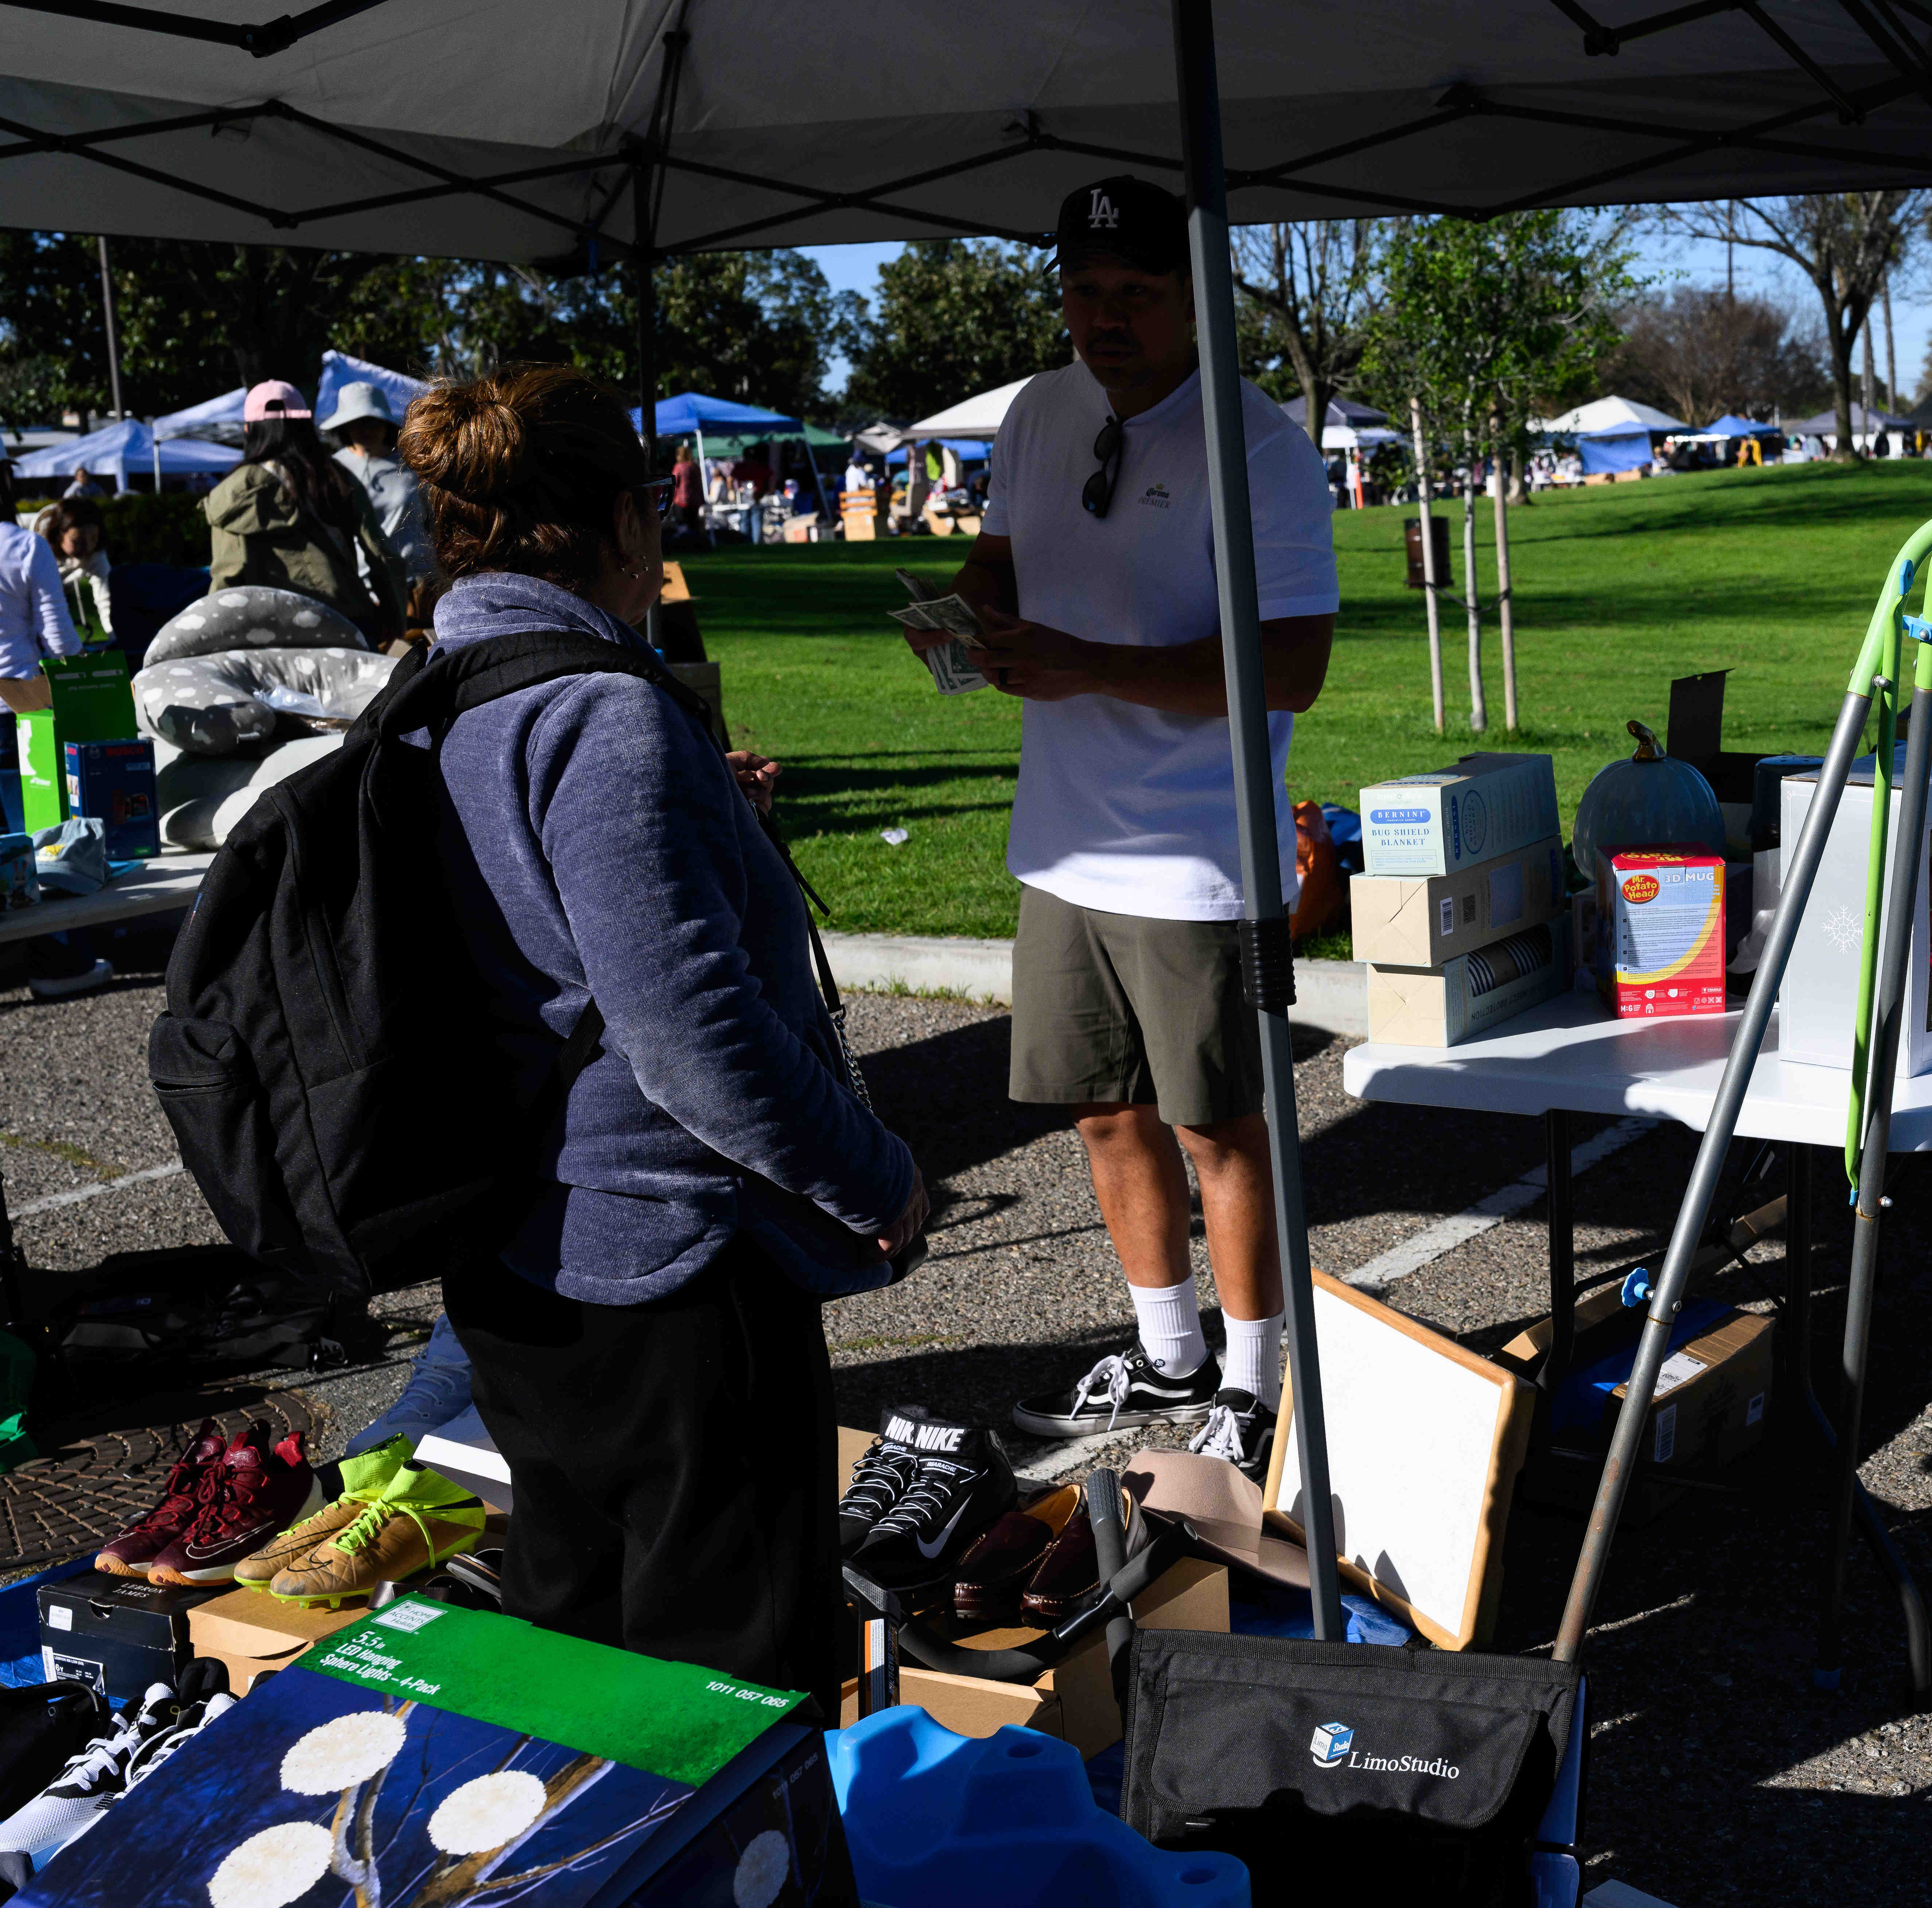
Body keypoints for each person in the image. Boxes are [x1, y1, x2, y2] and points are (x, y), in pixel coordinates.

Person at [402, 363, 928, 1705]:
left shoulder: (440, 691)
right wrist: (873, 1174)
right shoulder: (600, 709)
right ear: (627, 521)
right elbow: (691, 1032)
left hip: (518, 1258)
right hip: (669, 1267)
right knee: (729, 1703)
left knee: (581, 1676)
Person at [902, 174, 1336, 1470]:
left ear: (1189, 300)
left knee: (1218, 1125)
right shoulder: (1038, 413)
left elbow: (1293, 665)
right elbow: (1004, 554)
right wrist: (964, 614)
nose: (1104, 318)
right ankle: (1167, 1360)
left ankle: (1254, 1391)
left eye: (1135, 295)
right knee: (1098, 1110)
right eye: (1083, 292)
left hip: (1199, 855)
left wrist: (1086, 664)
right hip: (1063, 843)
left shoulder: (1255, 448)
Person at [205, 380, 407, 641]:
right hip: (343, 621)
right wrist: (394, 622)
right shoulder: (334, 477)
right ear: (305, 427)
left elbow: (227, 576)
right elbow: (381, 554)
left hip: (265, 630)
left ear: (248, 430)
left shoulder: (234, 491)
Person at [0, 519, 107, 998]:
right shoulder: (23, 546)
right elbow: (61, 641)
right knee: (35, 839)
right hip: (17, 710)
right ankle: (58, 961)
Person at [323, 380, 437, 589]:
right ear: (345, 427)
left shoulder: (414, 464)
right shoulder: (333, 469)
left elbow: (434, 520)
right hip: (362, 586)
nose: (366, 430)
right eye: (357, 422)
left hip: (420, 584)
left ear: (386, 423)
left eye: (372, 421)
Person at [24, 499, 110, 644]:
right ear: (58, 535)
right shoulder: (30, 544)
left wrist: (114, 639)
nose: (88, 548)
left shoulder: (96, 554)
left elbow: (106, 600)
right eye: (78, 541)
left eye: (94, 539)